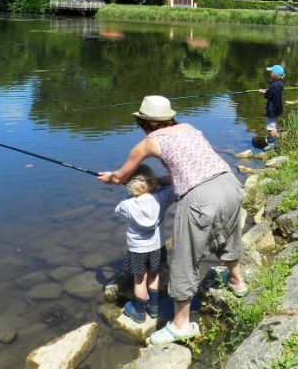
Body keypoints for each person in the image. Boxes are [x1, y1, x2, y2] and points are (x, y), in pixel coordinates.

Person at [97, 96, 246, 345]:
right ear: (169, 116)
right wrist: (158, 183)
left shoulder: (147, 143)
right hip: (228, 182)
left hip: (200, 197)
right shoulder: (189, 128)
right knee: (228, 235)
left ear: (144, 121)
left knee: (185, 259)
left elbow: (120, 177)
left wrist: (110, 177)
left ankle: (180, 324)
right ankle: (237, 281)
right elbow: (189, 168)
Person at [114, 164, 173, 323]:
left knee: (139, 279)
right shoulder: (162, 197)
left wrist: (130, 191)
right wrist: (156, 184)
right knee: (154, 275)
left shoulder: (127, 204)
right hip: (157, 247)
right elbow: (174, 183)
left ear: (131, 186)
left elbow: (117, 209)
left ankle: (139, 312)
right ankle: (154, 309)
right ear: (151, 182)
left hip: (137, 250)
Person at [259, 65, 284, 151]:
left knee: (271, 126)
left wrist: (263, 92)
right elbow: (273, 92)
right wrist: (268, 90)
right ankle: (274, 141)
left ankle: (272, 143)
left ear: (275, 74)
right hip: (278, 108)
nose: (270, 73)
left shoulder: (274, 85)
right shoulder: (280, 83)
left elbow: (269, 95)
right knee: (274, 125)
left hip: (272, 109)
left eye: (271, 72)